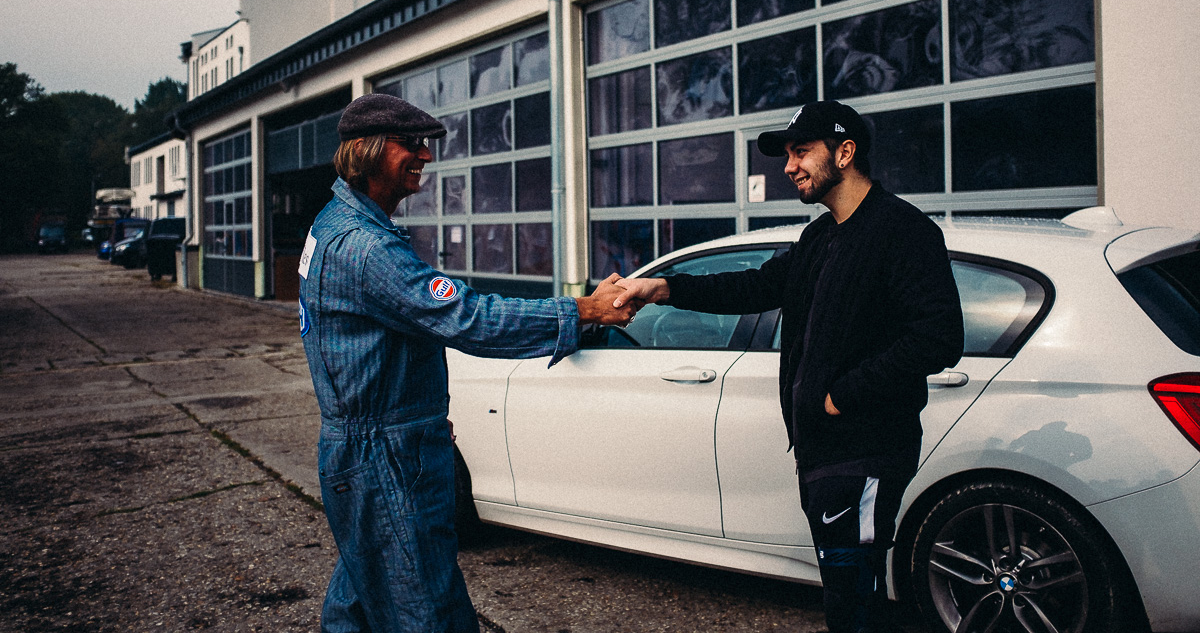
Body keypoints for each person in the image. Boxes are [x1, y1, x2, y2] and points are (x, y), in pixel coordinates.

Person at [614, 101, 964, 633]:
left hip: (863, 452)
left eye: (802, 151)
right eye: (788, 154)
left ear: (845, 152)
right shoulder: (820, 236)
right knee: (845, 596)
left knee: (856, 601)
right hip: (822, 453)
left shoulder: (903, 232)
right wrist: (662, 287)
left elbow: (938, 338)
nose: (789, 166)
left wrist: (840, 396)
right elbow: (754, 286)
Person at [298, 93, 635, 632]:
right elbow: (468, 317)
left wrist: (413, 411)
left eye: (426, 144)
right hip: (384, 457)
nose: (426, 156)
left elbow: (370, 342)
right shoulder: (366, 247)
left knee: (357, 607)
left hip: (372, 445)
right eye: (410, 144)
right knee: (431, 614)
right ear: (367, 150)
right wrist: (585, 310)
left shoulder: (332, 223)